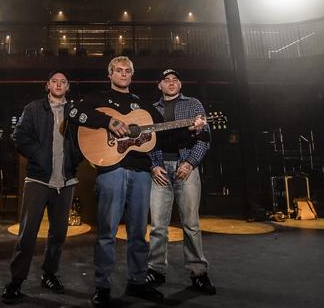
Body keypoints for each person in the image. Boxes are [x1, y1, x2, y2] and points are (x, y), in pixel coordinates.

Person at [68, 56, 205, 307]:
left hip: (142, 173)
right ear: (110, 74)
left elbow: (162, 137)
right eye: (118, 70)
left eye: (127, 71)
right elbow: (73, 112)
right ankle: (103, 286)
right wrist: (108, 121)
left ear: (132, 75)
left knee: (139, 232)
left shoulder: (142, 106)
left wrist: (190, 129)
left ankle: (138, 281)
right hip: (111, 171)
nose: (123, 74)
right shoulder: (97, 99)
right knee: (107, 232)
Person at [2, 70, 82, 304]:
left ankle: (49, 275)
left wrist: (75, 159)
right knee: (27, 234)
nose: (59, 84)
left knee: (58, 234)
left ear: (68, 87)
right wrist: (39, 155)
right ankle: (16, 282)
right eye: (54, 81)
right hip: (38, 179)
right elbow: (19, 136)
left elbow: (84, 140)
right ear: (48, 85)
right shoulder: (34, 108)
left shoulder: (75, 112)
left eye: (63, 81)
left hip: (66, 182)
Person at [147, 68, 216, 294]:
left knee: (191, 224)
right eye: (166, 80)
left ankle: (198, 273)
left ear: (180, 84)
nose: (171, 82)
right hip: (160, 171)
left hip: (185, 168)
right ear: (160, 85)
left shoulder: (194, 104)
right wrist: (154, 165)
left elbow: (204, 138)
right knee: (158, 226)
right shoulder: (151, 110)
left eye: (175, 79)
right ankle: (155, 270)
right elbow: (147, 141)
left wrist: (190, 163)